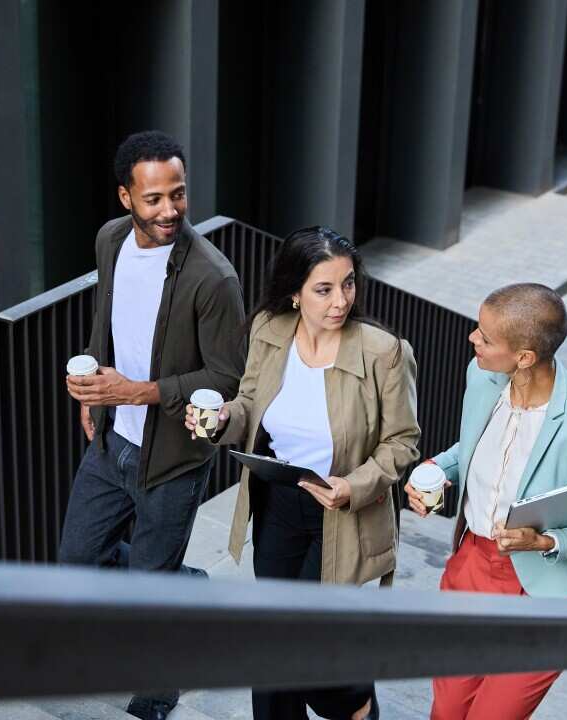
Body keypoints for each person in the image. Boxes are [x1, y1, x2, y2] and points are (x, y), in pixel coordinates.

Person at [186, 226, 420, 720]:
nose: (341, 301)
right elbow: (250, 403)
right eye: (325, 288)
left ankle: (353, 698)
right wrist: (224, 419)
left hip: (342, 512)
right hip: (277, 501)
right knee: (274, 638)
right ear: (294, 292)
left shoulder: (384, 352)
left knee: (302, 648)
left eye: (348, 284)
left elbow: (403, 441)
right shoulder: (269, 330)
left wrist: (353, 487)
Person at [61, 130, 246, 720]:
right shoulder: (110, 240)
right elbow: (106, 321)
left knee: (149, 591)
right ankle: (177, 581)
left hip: (172, 459)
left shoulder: (214, 278)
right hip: (111, 441)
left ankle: (157, 691)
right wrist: (94, 394)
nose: (169, 210)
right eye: (154, 199)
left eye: (179, 195)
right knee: (77, 565)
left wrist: (137, 392)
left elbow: (227, 379)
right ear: (125, 198)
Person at [404, 283, 567, 720]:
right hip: (472, 566)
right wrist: (437, 470)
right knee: (447, 711)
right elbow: (472, 446)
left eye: (485, 337)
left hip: (543, 593)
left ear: (525, 357)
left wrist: (546, 542)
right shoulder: (483, 376)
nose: (473, 338)